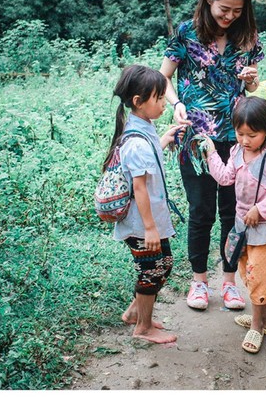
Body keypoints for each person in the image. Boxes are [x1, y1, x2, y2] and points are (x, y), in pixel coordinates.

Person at [160, 0, 263, 311]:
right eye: (224, 9)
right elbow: (163, 78)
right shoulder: (187, 33)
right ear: (209, 0)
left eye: (237, 10)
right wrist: (176, 104)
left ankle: (230, 282)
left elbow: (251, 87)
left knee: (234, 211)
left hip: (238, 139)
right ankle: (199, 281)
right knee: (201, 210)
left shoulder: (247, 37)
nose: (229, 16)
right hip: (196, 139)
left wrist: (251, 78)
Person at [202, 97, 266, 353]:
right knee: (247, 272)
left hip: (264, 229)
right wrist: (211, 153)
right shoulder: (236, 152)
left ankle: (256, 326)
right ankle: (265, 320)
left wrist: (261, 209)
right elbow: (225, 178)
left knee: (258, 276)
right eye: (240, 133)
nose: (245, 140)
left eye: (252, 135)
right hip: (242, 227)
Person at [104, 65, 183, 344]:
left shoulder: (143, 127)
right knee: (152, 270)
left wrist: (165, 139)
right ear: (138, 102)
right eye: (159, 98)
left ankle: (135, 313)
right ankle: (144, 328)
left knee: (164, 264)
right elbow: (139, 187)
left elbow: (147, 159)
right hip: (142, 223)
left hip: (150, 220)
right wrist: (150, 229)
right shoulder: (136, 142)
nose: (164, 103)